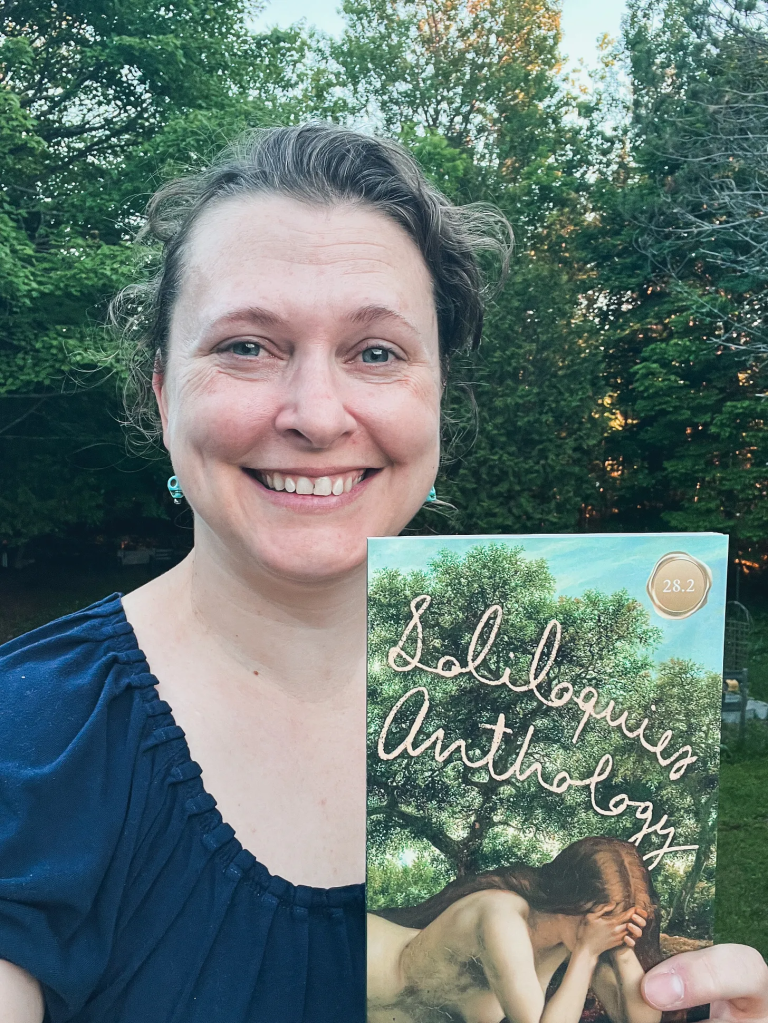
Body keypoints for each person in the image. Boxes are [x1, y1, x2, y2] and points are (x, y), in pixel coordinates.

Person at [0, 124, 765, 1023]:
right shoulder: (31, 740)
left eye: (376, 352)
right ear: (167, 393)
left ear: (437, 396)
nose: (317, 415)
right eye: (246, 345)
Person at [368, 837, 664, 1023]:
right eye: (610, 919)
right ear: (573, 902)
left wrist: (623, 951)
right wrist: (586, 954)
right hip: (357, 961)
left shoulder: (576, 942)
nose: (613, 930)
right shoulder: (501, 916)